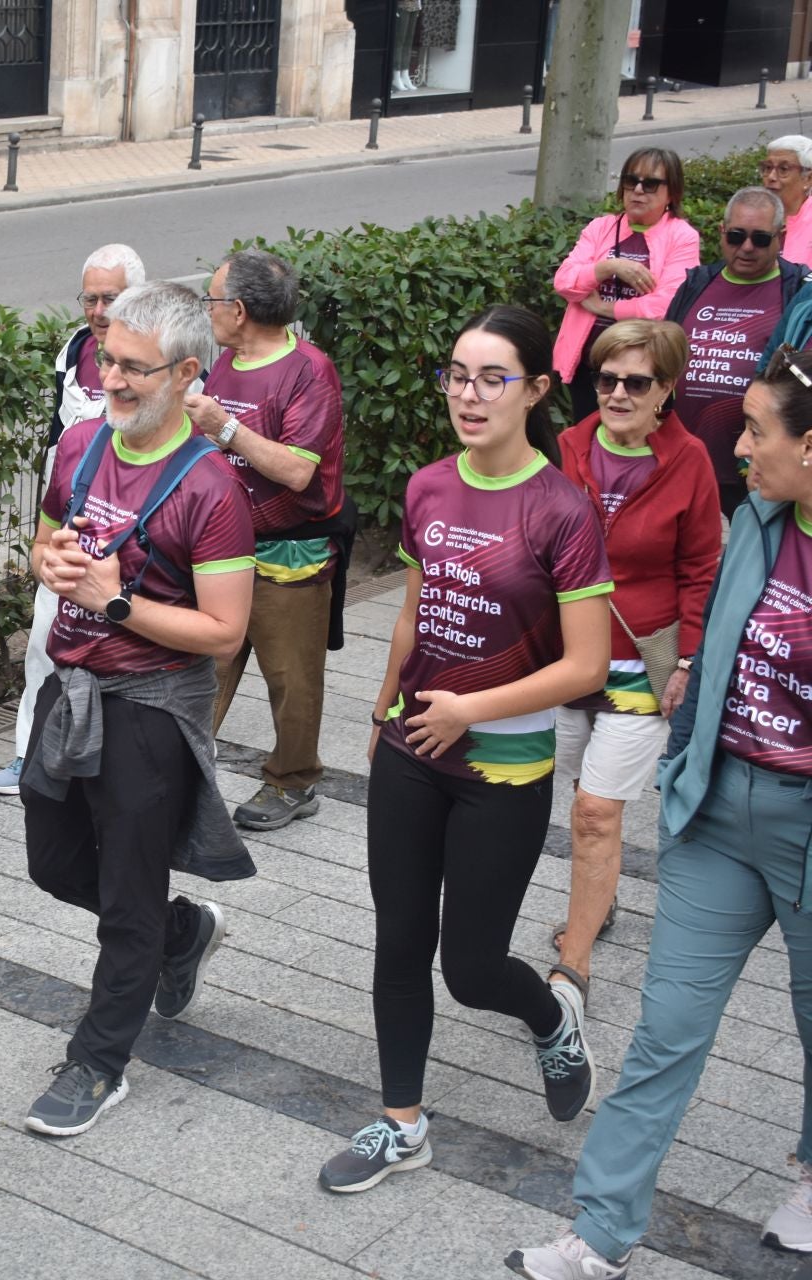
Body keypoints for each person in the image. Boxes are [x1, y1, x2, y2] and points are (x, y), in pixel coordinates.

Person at [504, 346, 812, 1277]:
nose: (742, 448)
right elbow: (715, 642)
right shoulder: (760, 519)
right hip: (719, 813)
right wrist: (687, 763)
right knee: (665, 1030)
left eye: (757, 432)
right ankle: (599, 1235)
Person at [320, 305, 613, 1194]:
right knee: (399, 941)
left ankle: (550, 1015)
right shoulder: (427, 486)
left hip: (504, 769)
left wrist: (470, 709)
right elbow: (415, 612)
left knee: (473, 967)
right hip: (414, 748)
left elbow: (587, 664)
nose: (470, 395)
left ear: (536, 389)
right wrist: (381, 717)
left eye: (493, 378)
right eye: (458, 375)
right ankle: (401, 1123)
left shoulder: (563, 510)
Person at [20, 281, 257, 1137]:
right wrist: (49, 565)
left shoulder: (212, 490)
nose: (111, 380)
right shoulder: (81, 444)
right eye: (107, 360)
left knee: (125, 893)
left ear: (189, 374)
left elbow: (225, 634)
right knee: (52, 862)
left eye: (134, 368)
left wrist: (119, 604)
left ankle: (98, 1062)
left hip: (153, 704)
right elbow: (49, 540)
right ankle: (181, 929)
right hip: (70, 686)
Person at [549, 320, 720, 1002]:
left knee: (596, 810)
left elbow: (702, 565)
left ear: (667, 390)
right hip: (567, 657)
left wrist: (688, 662)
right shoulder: (567, 447)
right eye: (607, 379)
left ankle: (575, 963)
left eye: (636, 382)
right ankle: (602, 890)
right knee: (566, 788)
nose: (617, 393)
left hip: (641, 662)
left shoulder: (690, 462)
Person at [186, 248, 351, 831]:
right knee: (205, 666)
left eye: (211, 300)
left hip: (292, 551)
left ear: (237, 309)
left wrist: (224, 428)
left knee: (291, 678)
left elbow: (299, 471)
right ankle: (181, 770)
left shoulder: (309, 370)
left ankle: (293, 781)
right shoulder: (227, 361)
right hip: (224, 545)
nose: (207, 310)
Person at [0, 243, 146, 795]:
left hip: (133, 532)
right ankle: (28, 753)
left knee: (122, 650)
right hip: (70, 525)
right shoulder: (73, 350)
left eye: (112, 298)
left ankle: (109, 762)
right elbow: (59, 442)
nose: (99, 311)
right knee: (43, 637)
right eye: (91, 298)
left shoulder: (162, 358)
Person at [667, 187, 808, 518]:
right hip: (682, 460)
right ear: (722, 233)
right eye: (736, 236)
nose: (746, 247)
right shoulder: (696, 283)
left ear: (781, 236)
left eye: (760, 239)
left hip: (755, 469)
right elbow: (663, 353)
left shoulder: (798, 293)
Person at [552, 147, 701, 423]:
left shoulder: (682, 236)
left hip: (643, 371)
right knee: (588, 441)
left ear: (673, 192)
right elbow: (564, 282)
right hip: (590, 366)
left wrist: (604, 307)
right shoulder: (601, 228)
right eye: (631, 181)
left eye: (651, 183)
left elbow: (665, 305)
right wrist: (608, 267)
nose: (638, 190)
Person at [761, 135, 812, 258]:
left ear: (808, 179)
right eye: (768, 168)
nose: (771, 177)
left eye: (783, 169)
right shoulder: (755, 217)